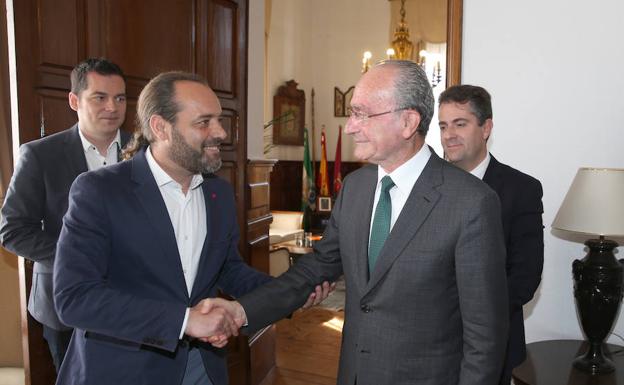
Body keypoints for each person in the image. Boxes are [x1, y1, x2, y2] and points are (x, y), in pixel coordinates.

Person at [214, 60, 510, 385]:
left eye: (361, 114)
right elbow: (316, 268)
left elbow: (485, 335)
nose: (350, 126)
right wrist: (241, 311)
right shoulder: (355, 187)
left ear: (408, 122)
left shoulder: (471, 202)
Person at [52, 71, 329, 385]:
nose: (220, 132)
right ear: (160, 127)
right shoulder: (99, 191)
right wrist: (185, 321)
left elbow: (228, 270)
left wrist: (290, 293)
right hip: (124, 370)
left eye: (219, 120)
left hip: (203, 367)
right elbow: (74, 299)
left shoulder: (219, 194)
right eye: (204, 122)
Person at [0, 58, 130, 372]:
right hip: (66, 305)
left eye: (120, 98)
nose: (112, 107)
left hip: (135, 301)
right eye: (99, 97)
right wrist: (78, 257)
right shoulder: (40, 155)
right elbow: (12, 230)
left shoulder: (146, 153)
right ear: (74, 100)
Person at [438, 84, 544, 385]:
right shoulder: (427, 187)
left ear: (486, 128)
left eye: (460, 124)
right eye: (443, 126)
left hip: (491, 344)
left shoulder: (521, 189)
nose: (449, 135)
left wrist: (467, 316)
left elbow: (524, 278)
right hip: (427, 345)